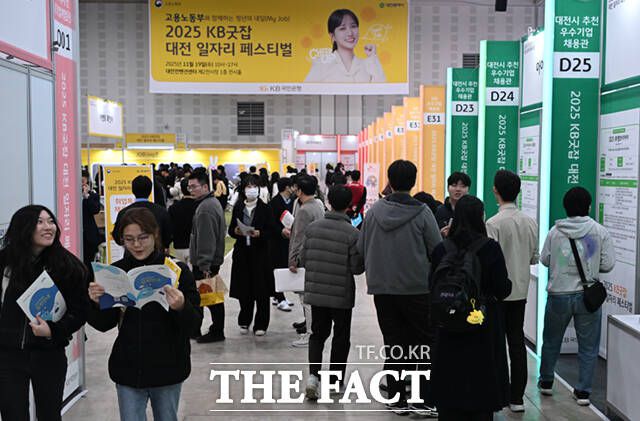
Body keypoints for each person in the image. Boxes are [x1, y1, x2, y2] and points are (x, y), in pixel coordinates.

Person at [88, 208, 202, 421]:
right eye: (129, 239)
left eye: (143, 237)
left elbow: (194, 325)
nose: (137, 245)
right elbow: (104, 324)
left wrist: (181, 306)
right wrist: (95, 302)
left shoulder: (176, 271)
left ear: (155, 234)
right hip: (128, 367)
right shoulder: (115, 272)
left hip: (168, 367)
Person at [357, 160, 441, 416]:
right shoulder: (423, 212)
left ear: (389, 181)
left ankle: (396, 399)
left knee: (394, 342)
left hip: (382, 289)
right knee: (423, 344)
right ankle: (421, 400)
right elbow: (437, 250)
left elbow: (361, 248)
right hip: (417, 289)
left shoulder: (373, 212)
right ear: (413, 182)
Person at [0, 205, 90, 421]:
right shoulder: (4, 262)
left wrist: (53, 330)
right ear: (23, 227)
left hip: (49, 354)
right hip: (8, 355)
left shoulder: (66, 265)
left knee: (49, 414)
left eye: (50, 221)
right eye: (39, 222)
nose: (48, 227)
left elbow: (80, 311)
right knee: (12, 414)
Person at [430, 195, 512, 420]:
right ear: (480, 218)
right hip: (482, 326)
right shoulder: (490, 248)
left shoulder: (441, 249)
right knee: (481, 391)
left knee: (449, 388)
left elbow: (432, 286)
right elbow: (503, 289)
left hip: (448, 326)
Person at [538, 187, 615, 406]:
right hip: (587, 296)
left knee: (551, 341)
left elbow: (544, 259)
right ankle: (583, 392)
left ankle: (546, 382)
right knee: (588, 347)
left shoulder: (555, 231)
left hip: (559, 294)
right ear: (588, 207)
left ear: (566, 207)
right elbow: (608, 264)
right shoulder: (599, 231)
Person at [301, 185, 365, 399]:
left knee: (317, 334)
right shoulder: (352, 233)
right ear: (350, 205)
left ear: (328, 202)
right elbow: (356, 268)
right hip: (341, 296)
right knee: (341, 336)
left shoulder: (312, 229)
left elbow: (303, 259)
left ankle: (313, 377)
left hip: (316, 292)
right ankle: (336, 381)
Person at [485, 170, 539, 413]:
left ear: (495, 190)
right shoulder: (530, 222)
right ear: (518, 192)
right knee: (517, 343)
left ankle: (498, 394)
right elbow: (534, 258)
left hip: (498, 294)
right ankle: (517, 398)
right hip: (521, 291)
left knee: (496, 345)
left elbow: (490, 261)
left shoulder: (493, 223)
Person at [228, 174, 275, 335]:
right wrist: (236, 231)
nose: (252, 189)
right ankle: (244, 320)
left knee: (261, 290)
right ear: (243, 189)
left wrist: (259, 233)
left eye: (255, 186)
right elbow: (231, 229)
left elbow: (271, 231)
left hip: (260, 253)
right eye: (249, 186)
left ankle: (261, 324)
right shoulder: (238, 207)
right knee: (244, 288)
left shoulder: (265, 208)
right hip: (242, 253)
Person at [188, 170, 227, 343]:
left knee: (211, 299)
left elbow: (206, 238)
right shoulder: (211, 203)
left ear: (205, 187)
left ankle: (216, 331)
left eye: (194, 186)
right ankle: (212, 329)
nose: (191, 190)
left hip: (206, 263)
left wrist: (204, 265)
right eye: (189, 187)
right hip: (210, 261)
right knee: (210, 296)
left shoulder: (205, 208)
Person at [287, 175, 325, 347]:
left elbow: (299, 238)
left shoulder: (304, 210)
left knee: (307, 300)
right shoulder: (319, 204)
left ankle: (310, 334)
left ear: (300, 190)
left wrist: (293, 259)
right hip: (317, 255)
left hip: (306, 257)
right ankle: (313, 332)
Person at [304, 9, 386, 83]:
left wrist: (372, 57)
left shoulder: (368, 64)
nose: (350, 33)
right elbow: (307, 91)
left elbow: (381, 89)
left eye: (353, 26)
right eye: (342, 28)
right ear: (333, 36)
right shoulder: (322, 64)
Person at [112, 175, 173, 252]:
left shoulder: (124, 212)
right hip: (156, 253)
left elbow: (117, 237)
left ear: (132, 190)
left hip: (131, 254)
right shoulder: (161, 211)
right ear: (150, 191)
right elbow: (168, 236)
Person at [269, 177, 295, 312]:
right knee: (277, 267)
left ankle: (278, 295)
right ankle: (280, 298)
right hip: (276, 241)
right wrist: (281, 230)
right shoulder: (274, 202)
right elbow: (271, 222)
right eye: (292, 186)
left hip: (287, 240)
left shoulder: (292, 201)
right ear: (286, 187)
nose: (294, 189)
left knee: (284, 266)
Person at [168, 179, 197, 266]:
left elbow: (170, 228)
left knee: (181, 272)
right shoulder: (199, 206)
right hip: (195, 246)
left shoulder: (173, 208)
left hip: (178, 245)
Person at [435, 172, 471, 237]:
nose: (458, 189)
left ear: (468, 190)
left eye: (463, 186)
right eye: (454, 185)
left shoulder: (473, 210)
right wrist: (440, 234)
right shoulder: (439, 211)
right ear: (448, 188)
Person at [82, 169, 102, 267]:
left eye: (83, 181)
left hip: (89, 235)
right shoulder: (69, 195)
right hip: (73, 234)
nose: (81, 183)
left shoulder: (93, 195)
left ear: (87, 181)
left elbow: (95, 210)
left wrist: (86, 196)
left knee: (89, 263)